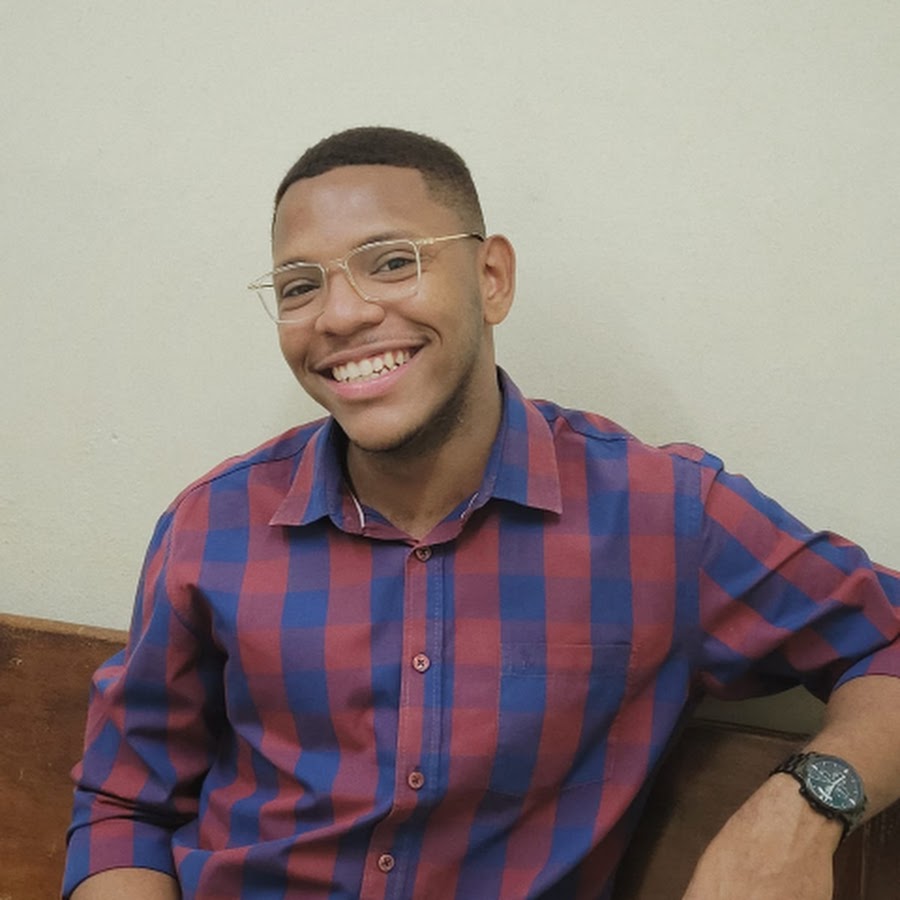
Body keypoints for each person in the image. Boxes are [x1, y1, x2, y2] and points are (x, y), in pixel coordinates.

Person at [64, 126, 900, 900]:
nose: (341, 314)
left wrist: (801, 809)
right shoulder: (212, 527)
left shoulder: (658, 517)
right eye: (299, 285)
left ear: (491, 278)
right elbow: (124, 806)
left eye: (391, 262)